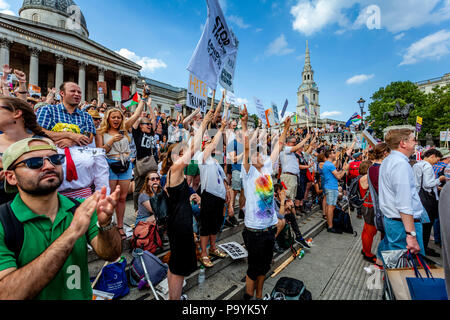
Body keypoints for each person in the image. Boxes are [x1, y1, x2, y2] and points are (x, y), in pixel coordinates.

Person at [0, 138, 122, 300]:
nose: (49, 166)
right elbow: (8, 294)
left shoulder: (80, 208)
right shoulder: (4, 222)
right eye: (35, 162)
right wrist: (72, 233)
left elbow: (111, 254)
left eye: (55, 159)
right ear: (11, 177)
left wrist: (106, 225)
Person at [160, 108, 213, 300]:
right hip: (179, 224)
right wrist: (204, 121)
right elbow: (194, 148)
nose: (186, 155)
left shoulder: (176, 175)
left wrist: (192, 196)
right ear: (176, 156)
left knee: (176, 264)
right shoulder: (174, 170)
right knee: (179, 267)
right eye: (181, 152)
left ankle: (174, 296)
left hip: (179, 222)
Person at [240, 105, 290, 300]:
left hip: (269, 228)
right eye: (254, 154)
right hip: (254, 230)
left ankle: (259, 297)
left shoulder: (267, 167)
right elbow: (246, 146)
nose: (258, 154)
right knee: (253, 268)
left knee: (264, 266)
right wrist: (244, 123)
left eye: (259, 153)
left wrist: (285, 128)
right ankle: (248, 299)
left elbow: (279, 144)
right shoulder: (248, 173)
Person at [95, 99, 145, 240]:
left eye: (118, 117)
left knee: (122, 198)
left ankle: (120, 226)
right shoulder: (100, 132)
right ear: (108, 118)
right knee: (110, 198)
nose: (116, 119)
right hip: (110, 164)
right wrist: (111, 141)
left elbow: (136, 115)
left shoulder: (124, 129)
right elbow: (100, 152)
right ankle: (107, 226)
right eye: (113, 117)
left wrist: (143, 99)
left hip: (125, 165)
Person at [379, 129, 424, 256]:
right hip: (402, 225)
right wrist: (411, 234)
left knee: (398, 266)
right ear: (403, 143)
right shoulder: (400, 164)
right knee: (407, 269)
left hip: (395, 221)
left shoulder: (389, 160)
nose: (416, 143)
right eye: (413, 140)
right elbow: (404, 202)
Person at [0, 96, 49, 205]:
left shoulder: (42, 143)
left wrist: (13, 169)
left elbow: (50, 177)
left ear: (16, 113)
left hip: (32, 209)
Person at [195, 118, 230, 268]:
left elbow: (223, 179)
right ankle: (204, 253)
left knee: (215, 225)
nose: (213, 146)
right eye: (209, 144)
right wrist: (221, 128)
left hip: (219, 196)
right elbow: (215, 143)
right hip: (208, 195)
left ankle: (213, 248)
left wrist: (227, 192)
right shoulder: (201, 157)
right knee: (206, 226)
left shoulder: (215, 162)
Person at [36, 82, 96, 149]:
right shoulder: (47, 110)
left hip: (79, 157)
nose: (77, 94)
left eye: (79, 92)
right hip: (51, 154)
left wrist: (72, 142)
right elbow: (39, 131)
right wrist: (69, 135)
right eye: (72, 91)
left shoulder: (87, 116)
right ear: (62, 93)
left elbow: (89, 137)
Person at [413, 148, 445, 257]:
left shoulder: (417, 165)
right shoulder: (427, 166)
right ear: (432, 156)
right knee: (427, 225)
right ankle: (424, 250)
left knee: (422, 225)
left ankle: (422, 247)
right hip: (427, 199)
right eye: (437, 159)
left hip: (419, 197)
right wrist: (439, 179)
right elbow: (428, 184)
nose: (437, 162)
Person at [367, 142, 391, 268]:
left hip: (384, 208)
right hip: (384, 208)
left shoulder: (376, 168)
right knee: (387, 239)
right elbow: (382, 190)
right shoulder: (376, 168)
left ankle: (381, 263)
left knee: (385, 238)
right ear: (385, 153)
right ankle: (381, 263)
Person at [322, 149, 349, 233]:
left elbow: (336, 174)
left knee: (330, 206)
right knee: (331, 206)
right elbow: (339, 177)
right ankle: (330, 226)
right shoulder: (329, 165)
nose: (335, 154)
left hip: (330, 186)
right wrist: (345, 170)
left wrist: (343, 170)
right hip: (331, 187)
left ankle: (329, 223)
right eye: (334, 153)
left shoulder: (328, 164)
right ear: (329, 155)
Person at [358, 160, 377, 263]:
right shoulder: (367, 178)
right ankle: (367, 253)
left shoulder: (362, 177)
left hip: (367, 206)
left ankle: (365, 249)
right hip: (370, 207)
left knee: (366, 230)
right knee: (370, 232)